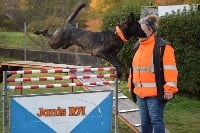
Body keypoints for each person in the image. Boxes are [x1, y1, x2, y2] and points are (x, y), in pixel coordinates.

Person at [127, 14, 178, 133]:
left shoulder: (163, 47)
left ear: (150, 31)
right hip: (140, 93)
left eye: (142, 30)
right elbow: (134, 68)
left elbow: (170, 70)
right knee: (145, 122)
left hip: (155, 94)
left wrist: (170, 89)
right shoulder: (137, 46)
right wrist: (131, 85)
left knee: (156, 120)